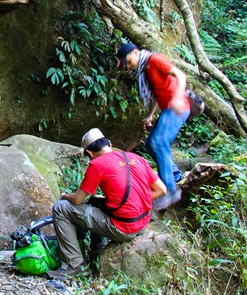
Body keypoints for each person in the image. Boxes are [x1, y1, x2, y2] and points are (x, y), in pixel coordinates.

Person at [48, 128, 167, 280]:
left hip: (123, 228)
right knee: (96, 202)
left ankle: (75, 265)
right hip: (142, 223)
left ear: (89, 153)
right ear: (109, 144)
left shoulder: (97, 164)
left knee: (61, 208)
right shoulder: (135, 157)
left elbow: (77, 199)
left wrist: (64, 195)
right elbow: (162, 189)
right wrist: (136, 202)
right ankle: (96, 253)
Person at [116, 42, 189, 210]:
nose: (129, 66)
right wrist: (150, 115)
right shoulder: (145, 70)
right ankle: (176, 176)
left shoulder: (154, 60)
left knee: (159, 143)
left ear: (135, 52)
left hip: (178, 107)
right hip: (167, 108)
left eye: (128, 61)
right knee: (150, 145)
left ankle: (169, 190)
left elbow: (180, 75)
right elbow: (155, 94)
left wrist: (177, 98)